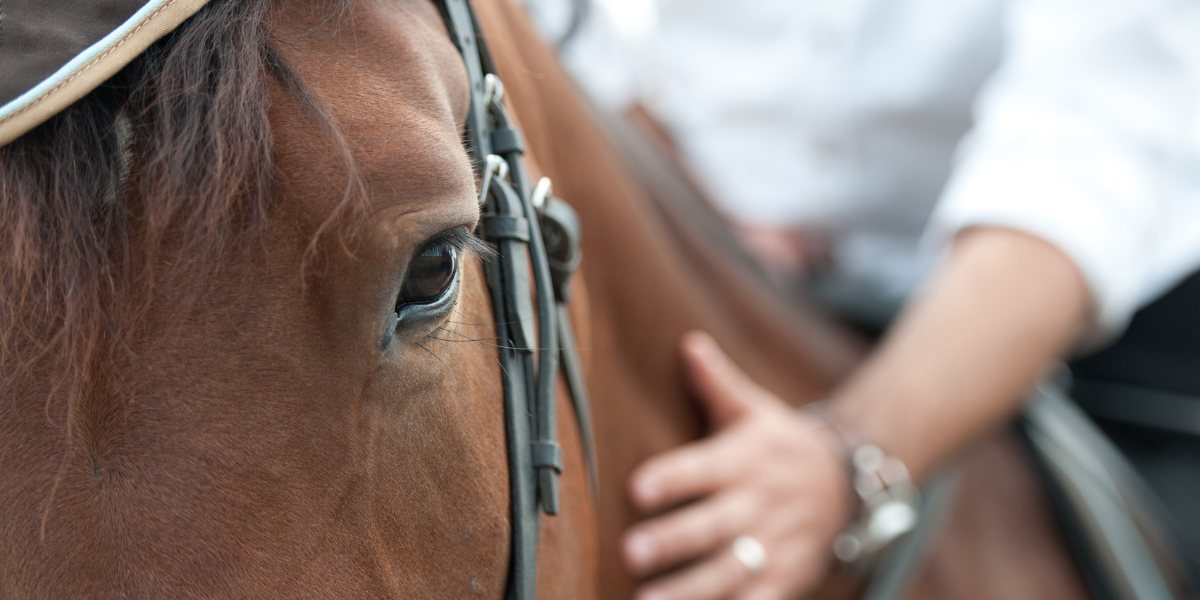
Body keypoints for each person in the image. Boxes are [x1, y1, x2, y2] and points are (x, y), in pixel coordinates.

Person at [524, 0, 1200, 598]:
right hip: (721, 251)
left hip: (1094, 318)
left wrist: (851, 463)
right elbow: (570, 37)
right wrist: (688, 209)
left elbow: (1086, 154)